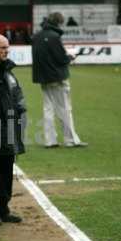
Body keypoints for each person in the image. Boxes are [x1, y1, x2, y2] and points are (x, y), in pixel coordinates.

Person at [0, 34, 27, 225]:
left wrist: (21, 112)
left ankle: (3, 209)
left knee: (7, 170)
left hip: (10, 130)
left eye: (7, 48)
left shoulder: (9, 72)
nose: (6, 51)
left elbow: (18, 95)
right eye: (2, 48)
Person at [32, 12, 87, 148]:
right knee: (65, 109)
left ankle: (50, 141)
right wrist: (71, 57)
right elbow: (61, 59)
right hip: (57, 77)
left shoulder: (37, 36)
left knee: (48, 109)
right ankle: (70, 140)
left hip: (43, 78)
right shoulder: (54, 37)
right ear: (59, 22)